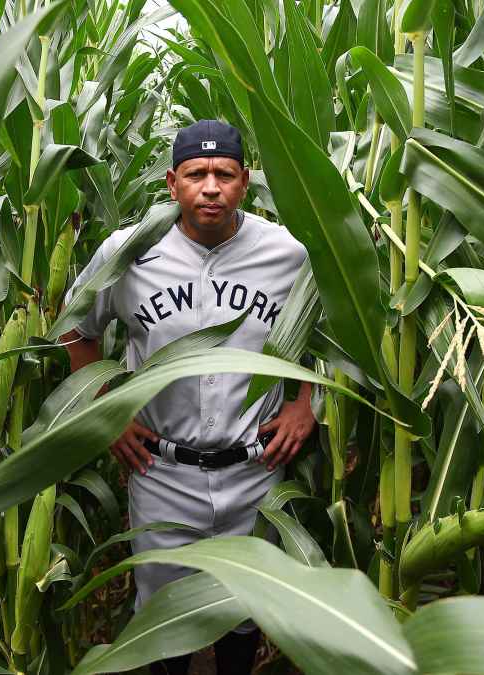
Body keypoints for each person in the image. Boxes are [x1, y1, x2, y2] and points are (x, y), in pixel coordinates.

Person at [62, 119, 316, 674]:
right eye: (196, 174)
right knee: (163, 619)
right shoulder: (128, 253)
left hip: (256, 471)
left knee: (244, 611)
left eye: (224, 174)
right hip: (162, 472)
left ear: (245, 181)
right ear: (172, 182)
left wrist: (305, 404)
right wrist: (108, 413)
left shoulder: (288, 255)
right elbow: (73, 329)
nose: (210, 187)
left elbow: (330, 335)